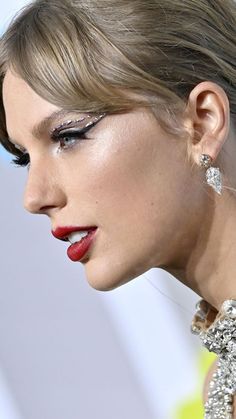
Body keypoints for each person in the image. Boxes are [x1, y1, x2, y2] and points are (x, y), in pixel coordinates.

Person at [1, 0, 236, 417]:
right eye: (23, 157)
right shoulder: (219, 385)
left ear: (202, 122)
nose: (33, 197)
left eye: (68, 136)